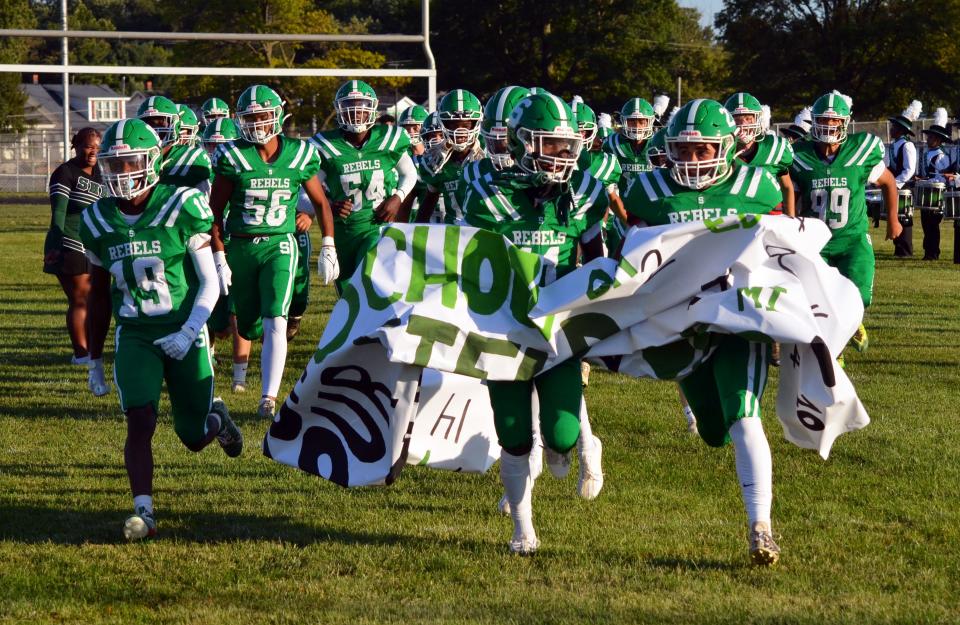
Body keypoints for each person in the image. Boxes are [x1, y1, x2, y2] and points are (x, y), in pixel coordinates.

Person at [623, 98, 784, 566]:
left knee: (743, 413)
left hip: (736, 322)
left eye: (703, 150)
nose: (692, 161)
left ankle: (761, 527)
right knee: (713, 431)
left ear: (727, 147)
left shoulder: (757, 186)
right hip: (681, 325)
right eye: (684, 151)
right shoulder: (648, 191)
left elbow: (780, 256)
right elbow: (630, 259)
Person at [80, 118, 243, 541]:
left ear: (153, 162)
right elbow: (97, 296)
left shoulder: (182, 204)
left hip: (185, 328)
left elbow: (210, 283)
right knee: (140, 419)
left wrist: (190, 332)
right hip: (135, 333)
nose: (122, 174)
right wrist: (93, 357)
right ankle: (145, 512)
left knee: (191, 435)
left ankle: (217, 422)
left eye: (130, 163)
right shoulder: (97, 220)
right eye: (113, 166)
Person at [463, 93, 607, 554]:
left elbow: (597, 257)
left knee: (562, 434)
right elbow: (460, 256)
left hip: (559, 329)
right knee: (514, 435)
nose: (563, 156)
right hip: (504, 327)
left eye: (567, 146)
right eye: (551, 145)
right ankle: (523, 529)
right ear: (523, 145)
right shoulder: (486, 190)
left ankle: (576, 449)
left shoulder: (583, 191)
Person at [209, 84, 337, 419]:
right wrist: (219, 255)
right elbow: (214, 211)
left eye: (262, 115)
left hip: (281, 243)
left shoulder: (300, 153)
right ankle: (247, 376)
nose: (256, 123)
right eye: (249, 117)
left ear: (277, 115)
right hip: (240, 245)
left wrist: (328, 244)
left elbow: (322, 202)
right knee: (247, 323)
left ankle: (269, 398)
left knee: (275, 319)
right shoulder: (232, 155)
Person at [790, 91, 902, 356]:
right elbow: (790, 192)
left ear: (844, 123)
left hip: (852, 238)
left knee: (860, 297)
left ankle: (853, 321)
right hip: (816, 243)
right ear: (814, 122)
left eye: (834, 121)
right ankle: (834, 354)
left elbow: (888, 182)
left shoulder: (860, 151)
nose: (828, 127)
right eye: (824, 121)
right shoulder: (799, 156)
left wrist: (893, 219)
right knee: (816, 303)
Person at [308, 80, 417, 293]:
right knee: (350, 297)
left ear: (373, 108)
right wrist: (329, 205)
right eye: (350, 106)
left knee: (372, 282)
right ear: (339, 109)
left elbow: (409, 173)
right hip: (343, 231)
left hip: (377, 225)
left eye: (362, 106)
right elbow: (308, 188)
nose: (356, 112)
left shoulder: (389, 137)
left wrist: (398, 197)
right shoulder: (325, 145)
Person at [43, 127, 110, 396]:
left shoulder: (104, 173)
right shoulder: (65, 173)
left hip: (96, 244)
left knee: (98, 298)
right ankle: (81, 353)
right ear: (76, 146)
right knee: (81, 298)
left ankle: (91, 350)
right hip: (70, 241)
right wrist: (54, 244)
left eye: (96, 146)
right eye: (87, 146)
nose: (93, 151)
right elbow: (58, 212)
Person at [201, 118, 253, 391]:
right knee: (209, 311)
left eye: (223, 145)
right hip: (208, 249)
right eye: (212, 145)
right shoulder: (199, 174)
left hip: (240, 245)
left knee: (238, 313)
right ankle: (206, 359)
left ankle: (239, 378)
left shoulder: (245, 168)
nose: (217, 151)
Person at [415, 89, 485, 225]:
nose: (460, 131)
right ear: (443, 123)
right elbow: (429, 200)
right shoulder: (437, 161)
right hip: (454, 235)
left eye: (466, 125)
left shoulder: (488, 152)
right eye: (453, 124)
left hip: (485, 233)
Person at [724, 92, 796, 216]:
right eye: (737, 119)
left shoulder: (774, 148)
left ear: (757, 119)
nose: (743, 124)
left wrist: (791, 219)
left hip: (768, 220)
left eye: (748, 118)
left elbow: (787, 186)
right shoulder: (722, 152)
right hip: (734, 221)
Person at [603, 98, 656, 254]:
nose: (637, 127)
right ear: (624, 121)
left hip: (652, 210)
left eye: (642, 122)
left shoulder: (658, 144)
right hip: (620, 210)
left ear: (650, 122)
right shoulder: (612, 144)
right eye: (632, 121)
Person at [884, 101, 920, 254]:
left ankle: (905, 249)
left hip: (902, 185)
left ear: (900, 130)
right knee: (895, 215)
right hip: (894, 185)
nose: (891, 129)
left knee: (904, 216)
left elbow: (909, 169)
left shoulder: (907, 145)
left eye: (894, 127)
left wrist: (895, 183)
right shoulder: (893, 145)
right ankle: (898, 247)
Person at [919, 112, 952, 260]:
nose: (928, 139)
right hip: (927, 194)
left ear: (938, 140)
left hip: (936, 196)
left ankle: (933, 252)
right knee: (926, 224)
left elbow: (944, 178)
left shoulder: (942, 156)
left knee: (932, 225)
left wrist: (929, 180)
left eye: (931, 137)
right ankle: (928, 251)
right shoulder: (929, 153)